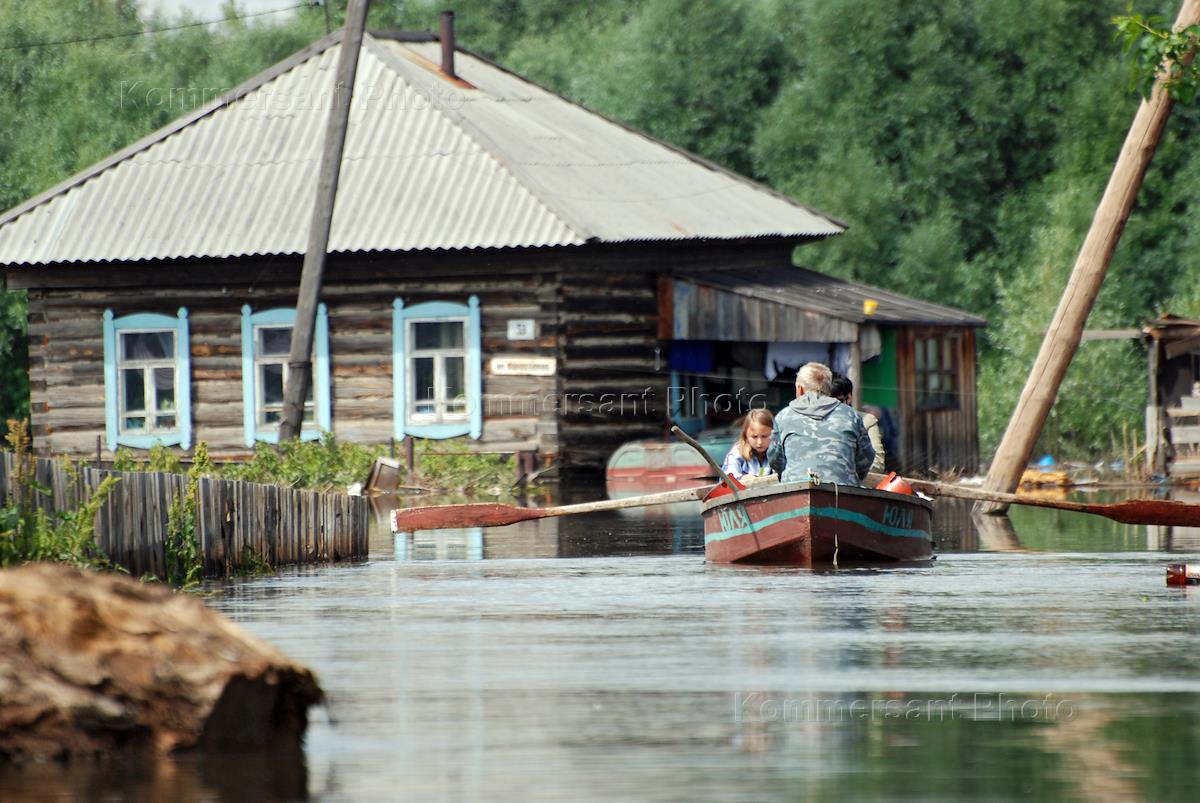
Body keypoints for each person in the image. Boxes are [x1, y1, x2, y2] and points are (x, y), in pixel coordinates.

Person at [767, 362, 875, 486]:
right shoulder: (851, 415)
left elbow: (775, 460)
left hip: (794, 489)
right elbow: (866, 458)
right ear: (828, 389)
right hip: (842, 491)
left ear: (799, 389)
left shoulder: (783, 416)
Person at [829, 373, 885, 474]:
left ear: (849, 398)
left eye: (838, 402)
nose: (834, 407)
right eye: (828, 402)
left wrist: (847, 470)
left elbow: (877, 464)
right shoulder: (818, 421)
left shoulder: (866, 421)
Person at [721, 408, 775, 481]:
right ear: (745, 435)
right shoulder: (737, 452)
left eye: (764, 436)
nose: (759, 442)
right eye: (754, 437)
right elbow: (729, 475)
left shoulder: (777, 452)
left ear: (773, 434)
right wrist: (742, 478)